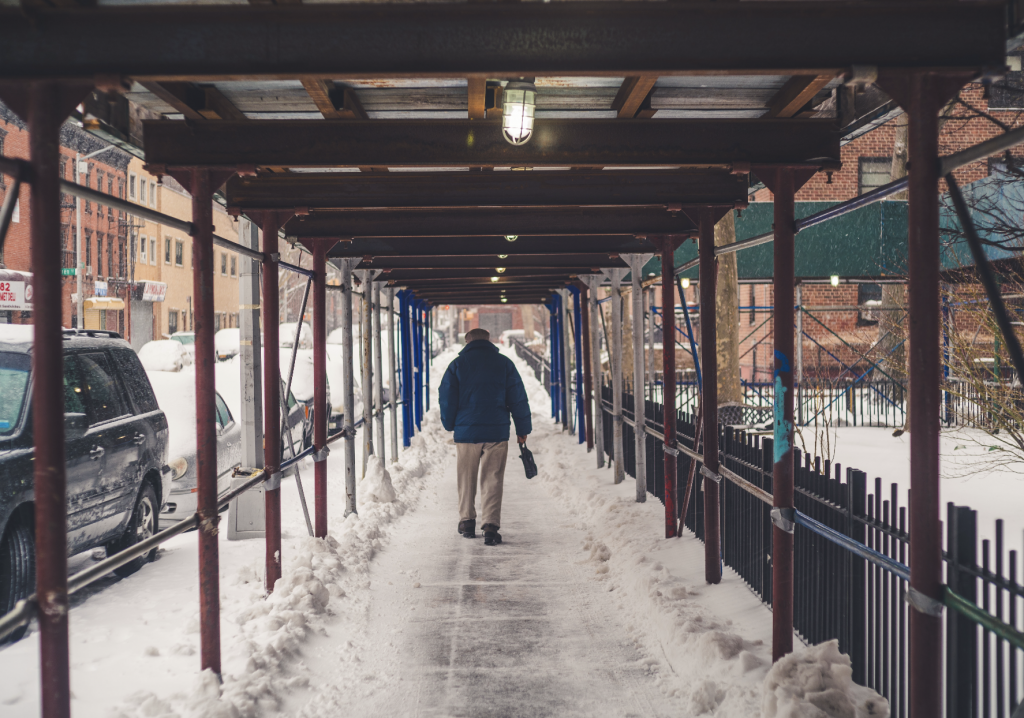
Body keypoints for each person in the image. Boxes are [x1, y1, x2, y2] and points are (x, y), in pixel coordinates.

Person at [438, 327, 532, 546]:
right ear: (488, 341)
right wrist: (522, 429)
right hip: (496, 432)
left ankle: (467, 522)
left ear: (467, 341)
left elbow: (447, 398)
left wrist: (450, 424)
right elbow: (518, 397)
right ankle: (490, 526)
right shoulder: (504, 364)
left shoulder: (457, 365)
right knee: (493, 478)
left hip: (466, 432)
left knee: (466, 478)